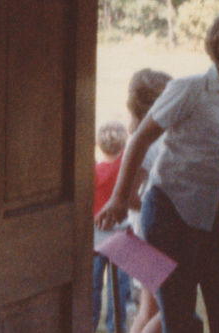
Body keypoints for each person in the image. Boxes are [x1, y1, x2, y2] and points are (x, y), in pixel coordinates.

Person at [95, 8, 219, 333]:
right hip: (169, 216)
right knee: (179, 320)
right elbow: (139, 139)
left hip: (215, 220)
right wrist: (119, 198)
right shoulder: (190, 89)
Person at [125, 68, 173, 333]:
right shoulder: (150, 140)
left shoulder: (146, 137)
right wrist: (160, 211)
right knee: (170, 310)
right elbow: (130, 196)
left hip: (144, 232)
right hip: (151, 233)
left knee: (150, 310)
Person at [93, 121, 133, 333]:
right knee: (118, 291)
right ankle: (116, 329)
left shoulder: (92, 170)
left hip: (96, 237)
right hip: (121, 237)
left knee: (93, 289)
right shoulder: (123, 169)